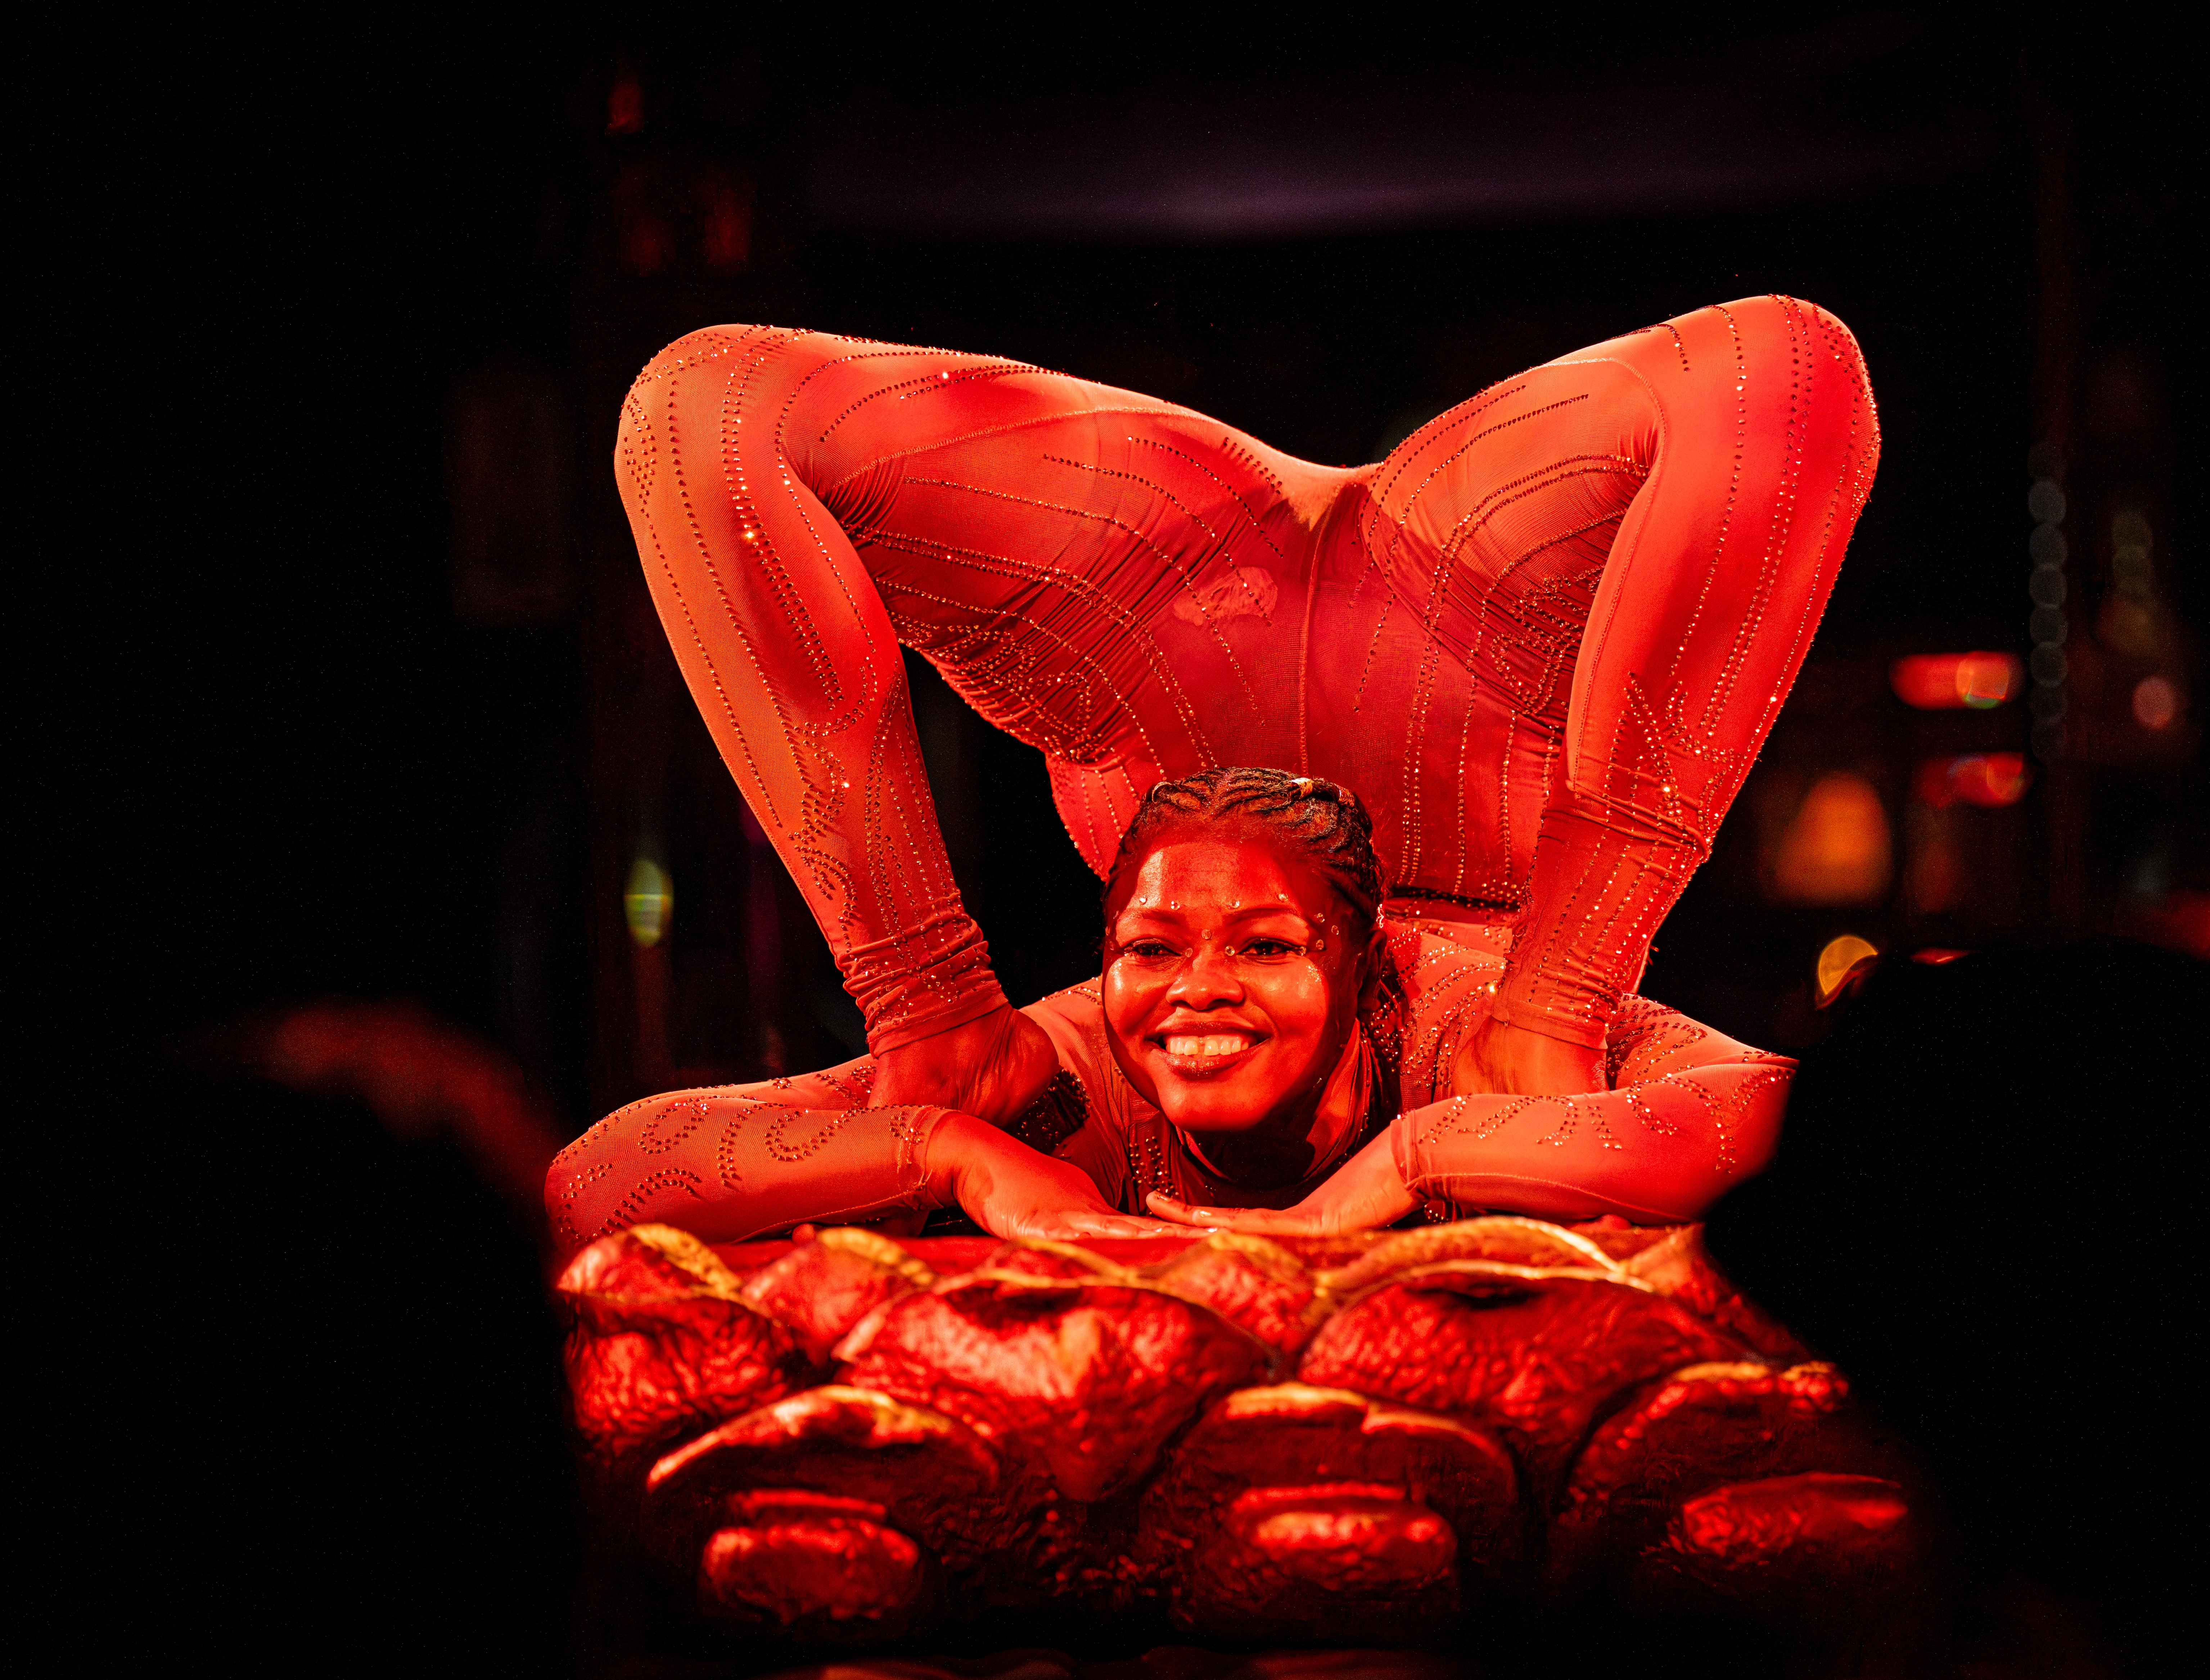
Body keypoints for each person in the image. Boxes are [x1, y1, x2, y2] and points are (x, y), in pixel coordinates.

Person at [609, 298, 1876, 1138]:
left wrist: (930, 1049)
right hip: (1464, 663)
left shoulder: (1095, 1096)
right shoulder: (1556, 1086)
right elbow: (1861, 1152)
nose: (1208, 1000)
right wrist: (1555, 1009)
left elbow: (614, 1172)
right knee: (1784, 364)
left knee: (699, 407)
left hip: (1177, 651)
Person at [546, 768, 1792, 1246]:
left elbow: (1800, 1125)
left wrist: (1416, 1158)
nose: (1197, 988)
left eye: (1265, 946)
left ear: (1369, 967)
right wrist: (952, 1152)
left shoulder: (1469, 1032)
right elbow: (600, 1177)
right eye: (1152, 948)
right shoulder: (1068, 1078)